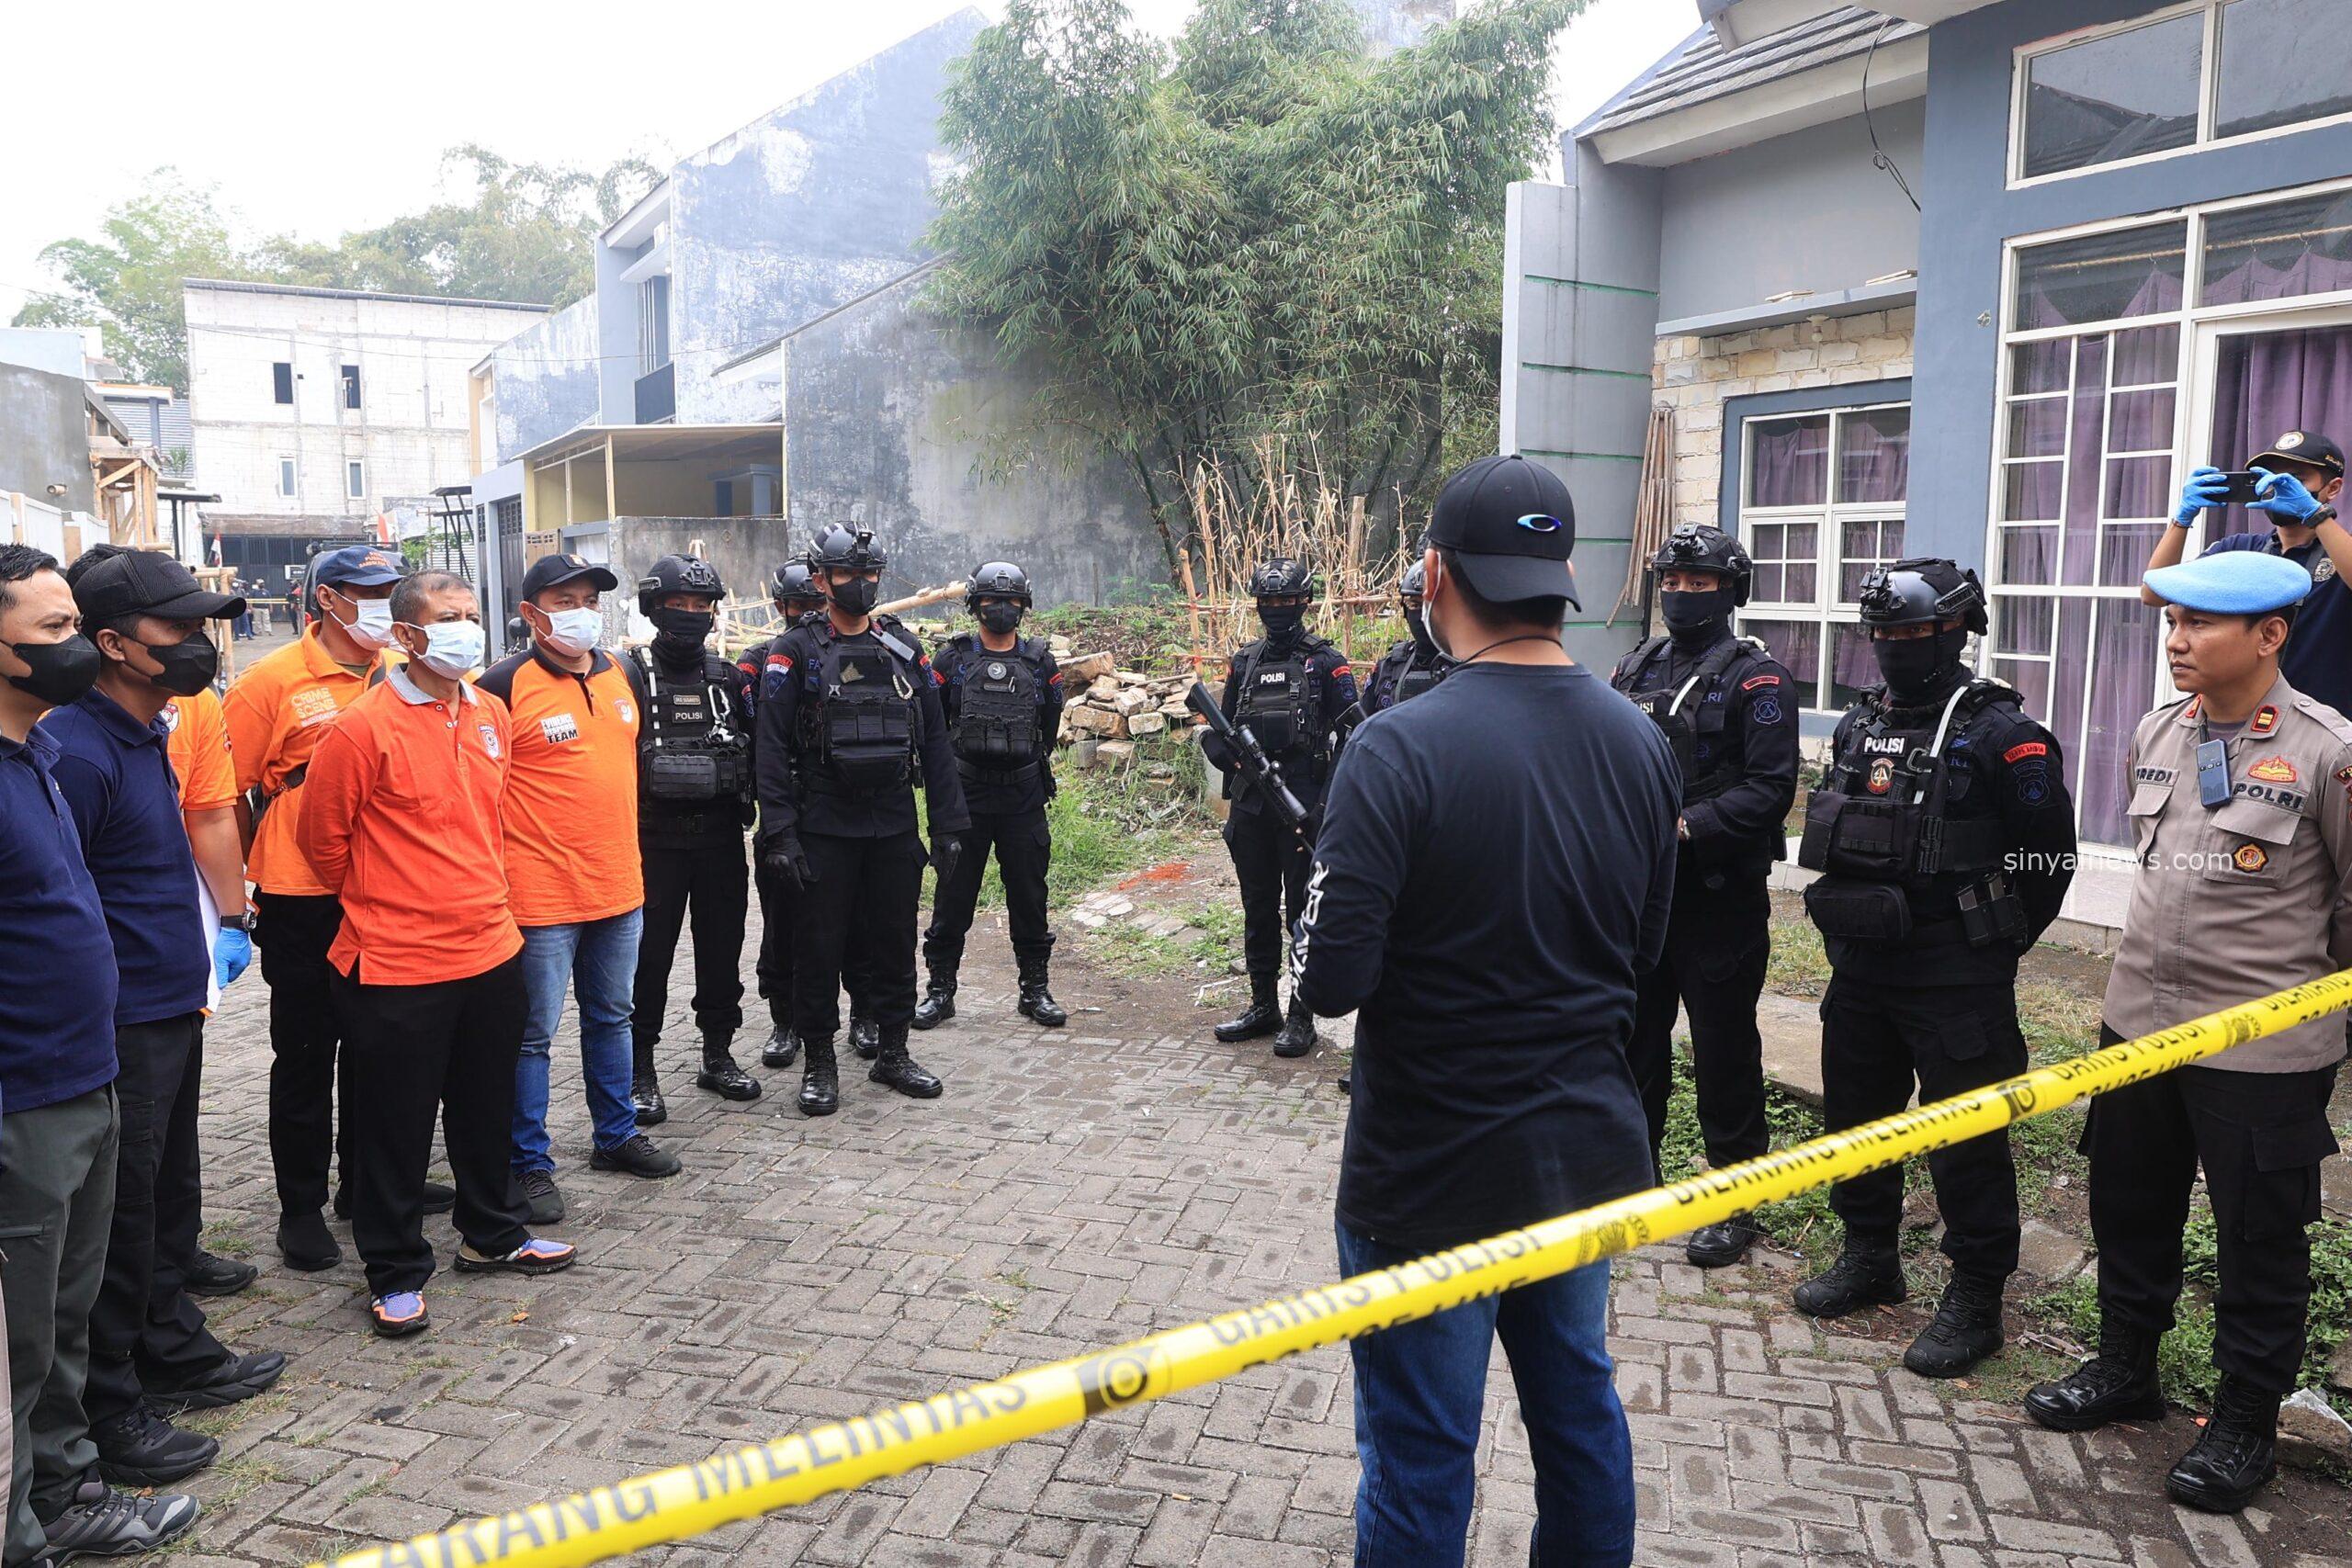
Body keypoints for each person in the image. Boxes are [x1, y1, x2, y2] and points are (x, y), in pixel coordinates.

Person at [1292, 454, 1661, 1568]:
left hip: (1430, 1173)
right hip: (1581, 1159)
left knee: (1418, 1452)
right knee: (1580, 1417)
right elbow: (1642, 954)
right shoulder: (1640, 742)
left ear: (1437, 575)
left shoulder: (1397, 746)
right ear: (1560, 580)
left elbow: (1329, 981)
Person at [2026, 549, 2346, 1514]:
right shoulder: (2158, 729)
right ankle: (2125, 1366)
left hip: (2262, 1047)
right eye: (2171, 621)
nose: (2175, 639)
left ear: (2269, 634)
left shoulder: (2328, 751)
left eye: (2199, 623)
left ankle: (2245, 1421)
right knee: (2128, 1204)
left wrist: (2305, 997)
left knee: (2259, 1238)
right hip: (2137, 1022)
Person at [1792, 558, 2077, 1378]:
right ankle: (1869, 1255)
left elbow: (2047, 858)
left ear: (1957, 631)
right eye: (1882, 631)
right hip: (1862, 965)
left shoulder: (2005, 735)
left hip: (1958, 977)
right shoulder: (1859, 723)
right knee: (1856, 1120)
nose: (1896, 645)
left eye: (1914, 629)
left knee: (1966, 1139)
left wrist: (1995, 943)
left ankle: (1977, 1299)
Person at [45, 549, 284, 1491]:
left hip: (170, 1002)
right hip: (120, 1019)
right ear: (113, 643)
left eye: (199, 627)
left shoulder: (150, 730)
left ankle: (169, 1342)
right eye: (175, 630)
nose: (197, 645)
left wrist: (223, 930)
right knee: (120, 1215)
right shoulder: (78, 750)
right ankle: (114, 1403)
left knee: (160, 1193)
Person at [297, 571, 576, 1337]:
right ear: (407, 634)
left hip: (491, 948)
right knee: (397, 1126)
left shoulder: (489, 712)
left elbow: (490, 818)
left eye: (471, 614)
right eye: (447, 617)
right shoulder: (361, 728)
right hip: (395, 964)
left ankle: (493, 1232)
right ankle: (393, 1269)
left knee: (486, 1107)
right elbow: (322, 842)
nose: (465, 628)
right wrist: (392, 897)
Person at [0, 546, 203, 1563]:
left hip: (88, 1073)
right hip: (24, 1094)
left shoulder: (36, 753)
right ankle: (29, 1515)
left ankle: (66, 1482)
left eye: (75, 625)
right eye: (51, 631)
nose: (75, 647)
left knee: (66, 1308)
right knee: (23, 1328)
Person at [223, 546, 453, 1272]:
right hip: (302, 898)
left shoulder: (404, 672)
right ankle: (300, 1206)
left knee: (376, 1048)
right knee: (305, 1052)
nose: (384, 605)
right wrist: (248, 875)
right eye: (369, 592)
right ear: (328, 598)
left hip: (386, 893)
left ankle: (365, 1184)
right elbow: (220, 794)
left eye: (391, 591)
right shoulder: (271, 682)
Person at [1608, 525, 1797, 1268]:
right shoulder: (1635, 666)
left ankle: (1734, 1201)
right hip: (1642, 897)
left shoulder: (1758, 679)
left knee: (1724, 1054)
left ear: (1730, 591)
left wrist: (1686, 826)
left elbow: (1770, 789)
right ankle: (1635, 1183)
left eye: (1699, 583)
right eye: (1672, 582)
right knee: (1635, 1044)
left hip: (1718, 899)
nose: (1682, 594)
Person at [479, 555, 680, 1228]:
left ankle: (615, 1135)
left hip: (618, 887)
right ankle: (528, 1162)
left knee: (613, 1017)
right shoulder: (502, 686)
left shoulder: (621, 673)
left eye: (590, 600)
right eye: (565, 601)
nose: (582, 612)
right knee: (531, 1035)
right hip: (538, 898)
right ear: (531, 613)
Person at [754, 525, 968, 1114]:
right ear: (821, 580)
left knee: (894, 943)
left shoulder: (903, 649)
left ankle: (893, 1053)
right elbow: (770, 750)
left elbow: (935, 742)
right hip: (824, 825)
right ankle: (820, 1062)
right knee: (818, 949)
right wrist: (780, 834)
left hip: (892, 825)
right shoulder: (793, 652)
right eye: (848, 573)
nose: (862, 583)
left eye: (870, 573)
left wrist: (949, 827)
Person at [1202, 557, 1357, 1058]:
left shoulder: (1326, 663)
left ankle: (1301, 1016)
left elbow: (1355, 735)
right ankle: (1263, 1005)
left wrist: (1325, 805)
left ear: (1304, 602)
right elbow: (1222, 727)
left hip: (1302, 805)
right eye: (1268, 601)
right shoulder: (1245, 662)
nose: (1277, 608)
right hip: (1251, 806)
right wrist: (1222, 751)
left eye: (1286, 599)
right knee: (1258, 907)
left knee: (1303, 913)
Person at [624, 554, 760, 1121]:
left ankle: (718, 1054)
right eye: (677, 604)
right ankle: (639, 1067)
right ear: (654, 608)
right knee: (648, 959)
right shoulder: (628, 676)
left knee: (722, 951)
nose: (689, 614)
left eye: (700, 605)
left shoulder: (729, 680)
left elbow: (759, 747)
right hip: (653, 844)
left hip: (720, 841)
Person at [737, 558, 882, 1068]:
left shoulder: (856, 650)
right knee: (783, 928)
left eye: (815, 603)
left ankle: (864, 1013)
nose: (808, 612)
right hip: (785, 815)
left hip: (835, 811)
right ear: (781, 606)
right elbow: (759, 740)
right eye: (798, 605)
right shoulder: (763, 662)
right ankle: (785, 1020)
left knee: (857, 922)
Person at [915, 561, 1069, 1032]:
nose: (1001, 608)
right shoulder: (951, 660)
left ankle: (1035, 990)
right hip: (966, 799)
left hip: (1023, 798)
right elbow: (933, 727)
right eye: (991, 600)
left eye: (1010, 601)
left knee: (1029, 896)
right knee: (953, 896)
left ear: (1024, 606)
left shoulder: (1041, 662)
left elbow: (1048, 728)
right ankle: (940, 991)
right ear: (975, 605)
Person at [2152, 429, 2352, 716]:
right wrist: (2182, 520)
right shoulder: (2240, 548)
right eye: (2271, 477)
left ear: (2332, 489)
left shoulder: (2342, 552)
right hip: (2238, 719)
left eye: (2296, 479)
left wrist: (2315, 514)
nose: (2279, 487)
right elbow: (2154, 594)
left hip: (2320, 723)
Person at [1357, 558, 1446, 717]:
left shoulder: (1468, 667)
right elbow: (1361, 722)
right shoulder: (1390, 667)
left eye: (1431, 606)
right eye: (1415, 605)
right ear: (1405, 610)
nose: (1422, 615)